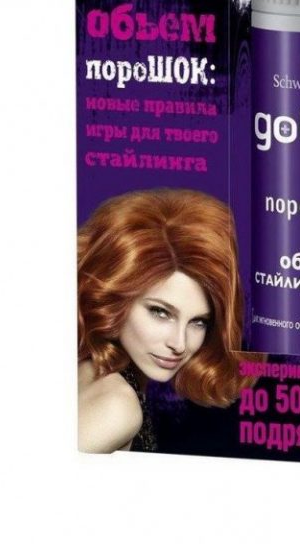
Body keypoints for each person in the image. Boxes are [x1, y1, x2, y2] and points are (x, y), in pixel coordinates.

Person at [77, 188, 252, 453]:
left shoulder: (91, 370)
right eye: (160, 312)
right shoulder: (117, 406)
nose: (179, 344)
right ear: (114, 299)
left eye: (199, 322)